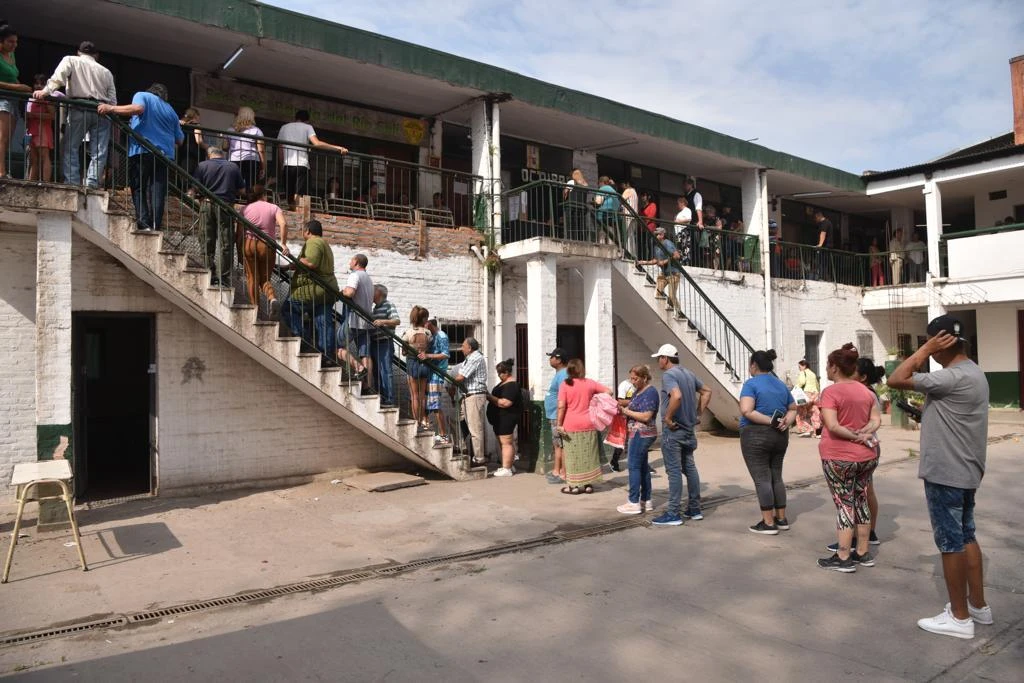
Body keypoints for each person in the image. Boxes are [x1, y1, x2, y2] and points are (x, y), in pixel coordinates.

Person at [888, 315, 992, 639]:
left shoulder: (949, 378)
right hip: (966, 469)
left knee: (950, 543)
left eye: (932, 344)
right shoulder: (975, 372)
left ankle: (959, 618)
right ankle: (978, 606)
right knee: (966, 536)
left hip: (946, 472)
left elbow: (895, 378)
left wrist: (922, 351)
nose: (930, 353)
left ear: (940, 343)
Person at [815, 343, 881, 573]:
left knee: (844, 503)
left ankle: (843, 555)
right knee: (861, 498)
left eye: (827, 365)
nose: (826, 369)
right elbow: (876, 421)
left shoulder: (831, 392)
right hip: (867, 456)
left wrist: (853, 435)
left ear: (834, 367)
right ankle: (862, 552)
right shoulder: (866, 391)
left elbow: (832, 425)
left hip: (838, 456)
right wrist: (864, 434)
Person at [99, 83, 183, 230]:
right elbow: (180, 140)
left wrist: (110, 108)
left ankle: (144, 223)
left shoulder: (142, 95)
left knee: (139, 187)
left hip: (142, 150)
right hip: (165, 156)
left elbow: (138, 109)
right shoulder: (171, 110)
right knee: (157, 191)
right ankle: (156, 224)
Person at [33, 40, 117, 187]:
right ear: (96, 55)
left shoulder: (70, 60)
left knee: (71, 146)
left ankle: (72, 181)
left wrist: (45, 92)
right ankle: (92, 182)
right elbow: (113, 100)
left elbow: (57, 78)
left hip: (79, 107)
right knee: (99, 151)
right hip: (102, 110)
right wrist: (110, 110)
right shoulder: (106, 72)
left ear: (78, 52)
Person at [651, 344, 712, 526]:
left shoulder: (669, 375)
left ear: (665, 359)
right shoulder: (688, 373)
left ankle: (673, 513)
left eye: (659, 358)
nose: (658, 361)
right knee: (690, 468)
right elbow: (707, 391)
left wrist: (668, 418)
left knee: (674, 471)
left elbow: (676, 396)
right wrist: (697, 414)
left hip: (674, 430)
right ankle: (694, 508)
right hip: (688, 429)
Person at [829, 358, 885, 551]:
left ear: (862, 377)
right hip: (864, 445)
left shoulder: (866, 393)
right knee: (862, 493)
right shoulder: (862, 392)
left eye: (853, 371)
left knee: (859, 495)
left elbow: (873, 420)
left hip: (863, 447)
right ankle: (863, 537)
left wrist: (857, 433)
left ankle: (857, 540)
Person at [738, 350, 797, 534]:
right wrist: (786, 421)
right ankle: (781, 518)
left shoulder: (751, 384)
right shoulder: (780, 384)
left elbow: (747, 411)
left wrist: (769, 420)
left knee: (762, 479)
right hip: (780, 436)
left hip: (755, 435)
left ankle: (768, 523)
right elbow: (793, 408)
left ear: (754, 365)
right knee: (776, 477)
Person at [280, 220, 338, 363]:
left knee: (288, 309)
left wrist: (296, 257)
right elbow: (306, 264)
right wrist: (289, 267)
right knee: (323, 322)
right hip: (327, 290)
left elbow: (311, 263)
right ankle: (327, 356)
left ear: (308, 231)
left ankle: (304, 340)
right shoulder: (325, 245)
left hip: (313, 289)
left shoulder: (313, 242)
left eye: (303, 230)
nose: (302, 233)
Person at [556, 359, 612, 495]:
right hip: (588, 423)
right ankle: (588, 485)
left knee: (572, 456)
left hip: (571, 424)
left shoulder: (565, 384)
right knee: (589, 454)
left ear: (569, 370)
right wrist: (594, 400)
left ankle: (574, 486)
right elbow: (609, 391)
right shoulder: (589, 383)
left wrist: (559, 424)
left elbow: (561, 406)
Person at [192, 145, 246, 286]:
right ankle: (224, 277)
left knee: (206, 239)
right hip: (226, 206)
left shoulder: (202, 165)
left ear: (209, 155)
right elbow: (242, 190)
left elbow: (195, 187)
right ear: (221, 154)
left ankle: (209, 273)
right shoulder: (233, 167)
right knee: (226, 242)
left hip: (207, 204)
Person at [278, 109, 348, 209]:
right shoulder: (307, 127)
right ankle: (297, 214)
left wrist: (282, 166)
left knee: (289, 195)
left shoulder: (284, 127)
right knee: (299, 194)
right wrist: (338, 148)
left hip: (287, 165)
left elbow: (280, 148)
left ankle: (293, 212)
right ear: (307, 120)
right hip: (302, 165)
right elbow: (317, 143)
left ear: (295, 118)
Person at [616, 365, 659, 515]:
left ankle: (633, 501)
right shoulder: (637, 392)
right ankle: (646, 500)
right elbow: (632, 408)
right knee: (642, 467)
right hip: (637, 433)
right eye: (631, 378)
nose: (632, 381)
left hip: (642, 433)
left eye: (635, 378)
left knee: (633, 466)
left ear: (644, 378)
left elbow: (647, 416)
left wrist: (626, 411)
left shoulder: (651, 392)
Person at [240, 184, 287, 315]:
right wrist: (283, 244)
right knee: (265, 279)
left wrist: (239, 249)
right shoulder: (274, 207)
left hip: (249, 244)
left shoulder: (245, 209)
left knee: (252, 278)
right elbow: (283, 223)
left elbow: (239, 232)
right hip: (267, 245)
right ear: (264, 195)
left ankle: (255, 310)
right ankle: (272, 299)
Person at [0, 22, 31, 179]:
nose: (14, 45)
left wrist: (21, 87)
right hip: (2, 99)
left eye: (16, 41)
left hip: (13, 100)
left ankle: (3, 169)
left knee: (8, 139)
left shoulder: (11, 55)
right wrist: (18, 88)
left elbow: (13, 77)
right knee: (2, 137)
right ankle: (1, 172)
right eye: (10, 42)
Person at [452, 338, 488, 464]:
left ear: (470, 348)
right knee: (465, 425)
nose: (461, 348)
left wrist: (451, 380)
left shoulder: (474, 358)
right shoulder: (470, 358)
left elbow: (461, 377)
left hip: (474, 396)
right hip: (468, 396)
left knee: (475, 429)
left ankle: (479, 458)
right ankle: (468, 452)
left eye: (463, 346)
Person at [341, 254, 374, 389]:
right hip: (366, 322)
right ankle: (368, 385)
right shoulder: (369, 279)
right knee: (365, 354)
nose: (349, 262)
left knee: (338, 347)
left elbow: (350, 293)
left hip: (353, 320)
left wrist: (342, 291)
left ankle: (359, 368)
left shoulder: (355, 275)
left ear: (356, 262)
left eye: (351, 259)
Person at [486, 358, 523, 477]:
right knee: (502, 442)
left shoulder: (511, 385)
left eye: (500, 373)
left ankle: (506, 468)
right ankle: (508, 465)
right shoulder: (503, 383)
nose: (498, 375)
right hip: (499, 418)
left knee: (506, 442)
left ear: (507, 372)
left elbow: (505, 403)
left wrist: (490, 397)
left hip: (506, 418)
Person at [403, 306, 433, 431]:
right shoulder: (428, 333)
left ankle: (417, 423)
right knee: (422, 396)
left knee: (414, 396)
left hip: (412, 363)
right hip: (424, 364)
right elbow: (430, 347)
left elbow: (404, 352)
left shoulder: (408, 333)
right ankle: (422, 420)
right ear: (424, 318)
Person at [637, 226, 682, 311]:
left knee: (672, 295)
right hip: (664, 273)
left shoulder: (667, 243)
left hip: (674, 273)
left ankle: (678, 312)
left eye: (657, 234)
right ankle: (666, 310)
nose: (655, 236)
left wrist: (664, 262)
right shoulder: (656, 246)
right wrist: (643, 262)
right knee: (658, 293)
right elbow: (656, 260)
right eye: (655, 234)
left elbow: (677, 255)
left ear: (662, 235)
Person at [370, 284, 400, 408]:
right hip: (374, 342)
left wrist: (383, 322)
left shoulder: (389, 305)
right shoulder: (375, 308)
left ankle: (389, 399)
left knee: (385, 371)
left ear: (379, 292)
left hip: (384, 342)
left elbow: (397, 321)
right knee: (376, 371)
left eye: (373, 290)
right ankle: (380, 397)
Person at [421, 318, 450, 443]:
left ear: (430, 324)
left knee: (435, 405)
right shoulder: (432, 336)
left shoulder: (442, 336)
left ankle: (444, 435)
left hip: (437, 375)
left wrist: (428, 356)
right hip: (430, 374)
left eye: (425, 324)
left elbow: (445, 354)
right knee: (427, 403)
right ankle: (427, 427)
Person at [543, 348, 569, 484]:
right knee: (557, 445)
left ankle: (563, 473)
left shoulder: (563, 374)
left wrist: (560, 418)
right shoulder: (560, 373)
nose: (550, 359)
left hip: (557, 416)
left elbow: (564, 397)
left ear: (558, 359)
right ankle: (556, 471)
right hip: (554, 415)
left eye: (552, 357)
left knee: (561, 445)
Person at [25, 75, 54, 182]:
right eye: (36, 83)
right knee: (33, 158)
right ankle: (31, 182)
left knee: (44, 156)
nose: (38, 86)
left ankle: (45, 183)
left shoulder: (47, 98)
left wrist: (34, 115)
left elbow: (52, 116)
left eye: (42, 83)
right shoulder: (30, 98)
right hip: (31, 130)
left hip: (43, 129)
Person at [227, 106, 264, 189]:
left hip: (233, 160)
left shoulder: (230, 130)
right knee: (251, 186)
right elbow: (261, 150)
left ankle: (229, 201)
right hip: (251, 160)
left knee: (233, 185)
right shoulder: (256, 130)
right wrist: (263, 167)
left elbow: (225, 147)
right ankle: (250, 201)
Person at [609, 376, 634, 472]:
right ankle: (614, 461)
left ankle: (643, 465)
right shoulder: (625, 385)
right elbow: (620, 401)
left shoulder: (642, 386)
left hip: (637, 415)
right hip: (625, 416)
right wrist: (635, 400)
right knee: (622, 440)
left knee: (638, 440)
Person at [794, 359, 822, 437]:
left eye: (799, 367)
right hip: (815, 394)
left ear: (804, 366)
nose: (799, 368)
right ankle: (818, 430)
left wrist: (796, 388)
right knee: (814, 411)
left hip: (806, 394)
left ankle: (806, 429)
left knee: (801, 412)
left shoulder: (803, 372)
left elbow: (802, 382)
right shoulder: (812, 373)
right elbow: (817, 385)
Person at [178, 107, 206, 178]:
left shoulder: (181, 125)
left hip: (183, 153)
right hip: (195, 154)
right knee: (194, 176)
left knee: (184, 176)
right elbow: (199, 141)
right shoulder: (196, 125)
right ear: (195, 116)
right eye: (198, 115)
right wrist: (208, 147)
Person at [813, 209, 834, 281]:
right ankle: (824, 278)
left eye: (815, 218)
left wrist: (820, 244)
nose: (815, 220)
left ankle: (822, 278)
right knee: (823, 263)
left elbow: (823, 233)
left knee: (822, 263)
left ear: (818, 216)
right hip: (827, 247)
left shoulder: (825, 223)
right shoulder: (827, 222)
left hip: (825, 247)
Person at [672, 196, 692, 264]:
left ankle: (686, 263)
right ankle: (680, 262)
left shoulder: (687, 210)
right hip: (678, 233)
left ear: (682, 203)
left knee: (685, 248)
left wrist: (679, 221)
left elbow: (688, 219)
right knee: (679, 248)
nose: (677, 205)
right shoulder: (680, 212)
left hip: (684, 231)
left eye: (678, 203)